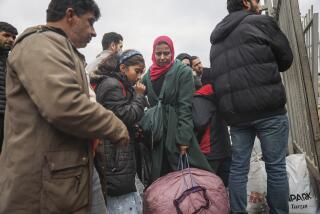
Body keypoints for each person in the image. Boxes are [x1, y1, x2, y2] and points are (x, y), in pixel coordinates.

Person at [0, 0, 130, 213]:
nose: (94, 32)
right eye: (90, 22)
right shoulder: (40, 44)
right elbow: (64, 104)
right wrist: (115, 126)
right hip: (40, 184)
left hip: (65, 173)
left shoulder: (62, 49)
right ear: (70, 15)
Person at [209, 0, 293, 213]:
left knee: (238, 168)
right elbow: (286, 60)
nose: (258, 3)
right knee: (276, 168)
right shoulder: (262, 22)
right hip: (268, 109)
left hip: (237, 116)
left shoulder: (217, 40)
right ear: (246, 2)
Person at [141, 35, 212, 183]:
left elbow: (185, 107)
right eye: (158, 53)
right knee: (160, 179)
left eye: (166, 53)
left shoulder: (183, 72)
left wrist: (183, 139)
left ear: (172, 52)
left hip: (175, 132)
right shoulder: (148, 75)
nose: (162, 57)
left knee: (183, 177)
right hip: (157, 135)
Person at [93, 49, 147, 214]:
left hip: (117, 153)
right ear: (123, 68)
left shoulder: (119, 84)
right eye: (137, 71)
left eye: (141, 72)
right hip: (113, 156)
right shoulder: (112, 85)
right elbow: (126, 116)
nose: (139, 77)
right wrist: (139, 96)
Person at [192, 67, 231, 187]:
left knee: (210, 190)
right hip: (223, 149)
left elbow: (199, 122)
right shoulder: (221, 95)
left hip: (209, 151)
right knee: (225, 187)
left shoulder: (198, 98)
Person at [0, 22, 17, 154]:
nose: (11, 40)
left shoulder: (11, 62)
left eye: (13, 37)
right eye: (6, 35)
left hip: (6, 117)